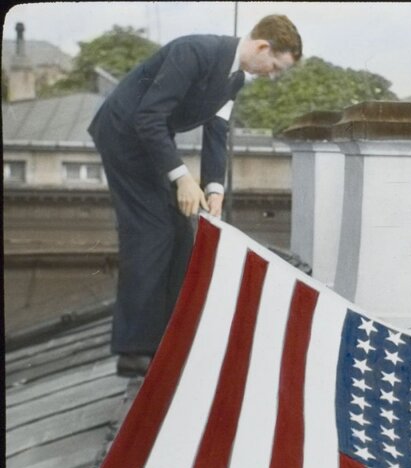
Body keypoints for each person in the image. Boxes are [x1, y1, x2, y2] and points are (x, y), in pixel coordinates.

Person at [88, 15, 302, 377]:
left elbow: (216, 133)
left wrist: (214, 187)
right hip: (123, 135)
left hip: (150, 142)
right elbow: (148, 117)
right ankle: (134, 351)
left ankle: (171, 336)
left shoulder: (233, 79)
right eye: (275, 66)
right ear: (263, 47)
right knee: (151, 232)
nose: (272, 74)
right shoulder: (195, 52)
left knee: (180, 231)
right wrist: (183, 179)